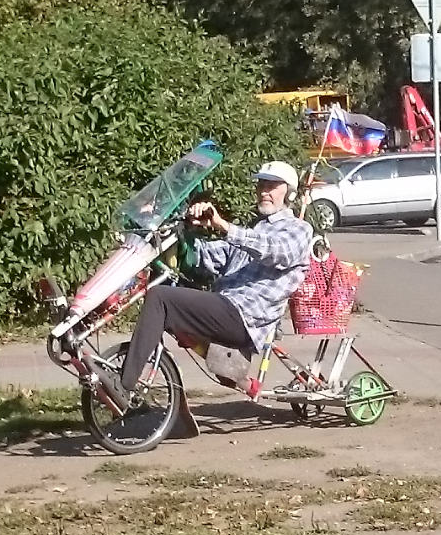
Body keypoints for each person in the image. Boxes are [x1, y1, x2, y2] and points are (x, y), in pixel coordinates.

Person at [113, 160, 313, 401]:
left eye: (272, 186)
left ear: (289, 192)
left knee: (161, 298)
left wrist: (224, 226)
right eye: (261, 184)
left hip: (244, 319)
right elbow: (208, 256)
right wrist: (185, 232)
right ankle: (141, 379)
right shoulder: (254, 229)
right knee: (163, 289)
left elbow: (275, 252)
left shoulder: (298, 230)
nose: (264, 191)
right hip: (225, 307)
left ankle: (123, 387)